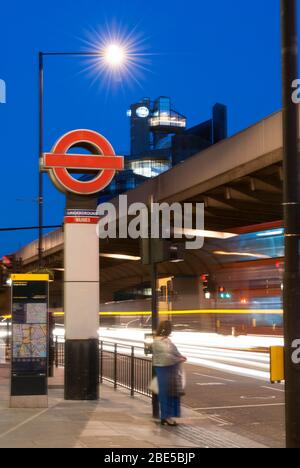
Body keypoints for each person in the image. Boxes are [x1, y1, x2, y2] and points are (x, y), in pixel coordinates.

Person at [152, 320, 187, 426]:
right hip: (165, 369)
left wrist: (180, 357)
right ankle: (166, 417)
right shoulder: (162, 341)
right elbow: (167, 356)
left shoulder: (160, 340)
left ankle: (167, 416)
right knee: (167, 393)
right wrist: (179, 359)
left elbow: (173, 352)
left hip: (164, 369)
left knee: (168, 393)